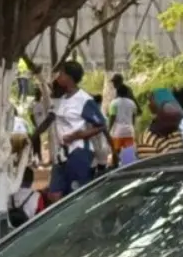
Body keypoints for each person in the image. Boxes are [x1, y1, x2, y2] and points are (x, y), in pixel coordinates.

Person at [45, 60, 105, 204]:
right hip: (62, 153)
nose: (58, 77)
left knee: (76, 195)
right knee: (54, 194)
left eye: (61, 74)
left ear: (69, 77)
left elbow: (101, 124)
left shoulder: (84, 100)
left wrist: (77, 136)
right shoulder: (62, 98)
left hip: (79, 152)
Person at [107, 77, 138, 165]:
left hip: (118, 131)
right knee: (128, 153)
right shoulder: (132, 103)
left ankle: (114, 168)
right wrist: (132, 127)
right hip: (129, 130)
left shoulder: (114, 103)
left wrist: (109, 129)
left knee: (115, 151)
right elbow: (133, 117)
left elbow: (112, 117)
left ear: (117, 92)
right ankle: (127, 168)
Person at [28, 84, 50, 162]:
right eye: (36, 92)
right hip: (37, 125)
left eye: (38, 92)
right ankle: (37, 156)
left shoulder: (44, 103)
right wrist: (35, 125)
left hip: (46, 125)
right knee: (36, 140)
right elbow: (31, 116)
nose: (37, 94)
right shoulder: (32, 104)